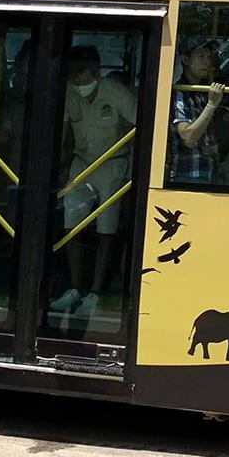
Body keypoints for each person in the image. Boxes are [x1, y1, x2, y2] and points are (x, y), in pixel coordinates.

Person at [47, 46, 137, 330]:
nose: (78, 80)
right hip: (80, 163)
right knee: (71, 225)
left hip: (113, 164)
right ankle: (75, 287)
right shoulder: (69, 92)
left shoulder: (117, 92)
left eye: (82, 73)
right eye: (73, 75)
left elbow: (142, 125)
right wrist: (57, 169)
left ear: (95, 70)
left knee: (106, 228)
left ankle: (96, 292)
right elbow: (61, 133)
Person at [168, 40, 224, 185]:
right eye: (201, 56)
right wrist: (211, 105)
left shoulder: (201, 93)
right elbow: (188, 137)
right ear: (185, 60)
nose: (207, 62)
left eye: (209, 57)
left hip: (209, 173)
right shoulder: (179, 92)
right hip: (188, 175)